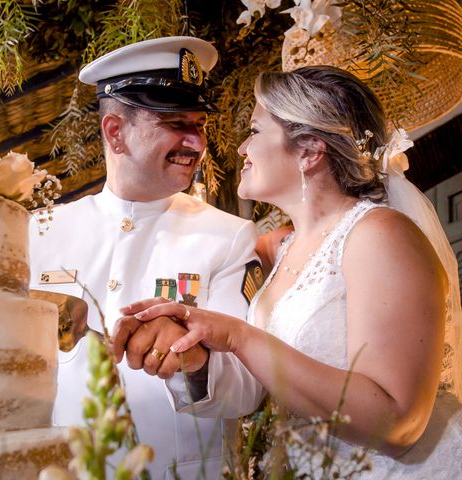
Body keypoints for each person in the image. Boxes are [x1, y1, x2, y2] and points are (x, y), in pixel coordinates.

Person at [121, 66, 462, 478]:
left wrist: (238, 336)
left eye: (256, 130)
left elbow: (399, 423)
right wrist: (186, 337)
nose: (243, 148)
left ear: (309, 151)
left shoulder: (379, 234)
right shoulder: (280, 249)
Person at [29, 36, 264, 479]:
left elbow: (248, 388)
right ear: (115, 132)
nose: (195, 143)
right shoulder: (39, 232)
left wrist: (191, 361)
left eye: (200, 124)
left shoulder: (228, 237)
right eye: (176, 124)